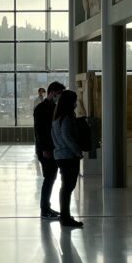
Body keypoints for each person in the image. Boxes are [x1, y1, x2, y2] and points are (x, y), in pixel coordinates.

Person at [51, 89, 83, 228]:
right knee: (68, 187)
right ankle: (65, 217)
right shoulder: (67, 118)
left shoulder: (56, 118)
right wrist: (77, 152)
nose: (76, 103)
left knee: (66, 187)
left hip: (59, 155)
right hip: (68, 156)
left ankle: (65, 215)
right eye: (75, 101)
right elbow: (68, 137)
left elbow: (56, 136)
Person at [33, 82, 64, 220]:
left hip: (53, 148)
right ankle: (45, 209)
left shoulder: (54, 107)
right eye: (58, 94)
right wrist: (45, 149)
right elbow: (40, 131)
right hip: (46, 149)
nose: (59, 97)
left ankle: (46, 207)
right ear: (52, 92)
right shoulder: (41, 109)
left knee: (51, 177)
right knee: (49, 178)